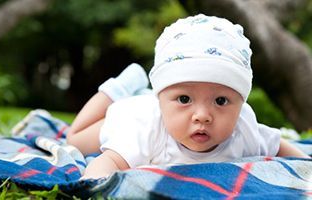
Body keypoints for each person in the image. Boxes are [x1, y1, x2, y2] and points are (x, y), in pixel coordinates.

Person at [66, 14, 310, 180]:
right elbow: (105, 165)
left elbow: (280, 146)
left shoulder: (244, 127)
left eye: (221, 101)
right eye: (184, 99)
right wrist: (97, 183)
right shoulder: (144, 131)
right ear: (161, 101)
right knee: (74, 140)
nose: (202, 116)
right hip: (126, 115)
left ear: (241, 104)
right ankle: (121, 87)